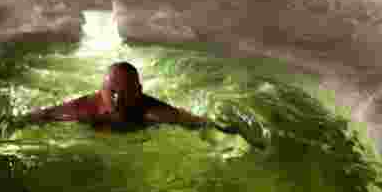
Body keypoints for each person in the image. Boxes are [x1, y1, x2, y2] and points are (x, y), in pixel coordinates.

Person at [27, 62, 233, 132]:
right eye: (112, 93)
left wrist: (228, 129)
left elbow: (198, 122)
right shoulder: (85, 109)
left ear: (139, 92)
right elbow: (42, 115)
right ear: (101, 91)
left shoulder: (151, 111)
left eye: (125, 94)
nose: (118, 100)